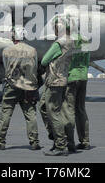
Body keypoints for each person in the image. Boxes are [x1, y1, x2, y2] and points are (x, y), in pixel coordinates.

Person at [0, 27, 42, 151]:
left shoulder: (6, 50)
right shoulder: (33, 51)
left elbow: (6, 68)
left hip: (11, 85)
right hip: (28, 87)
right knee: (30, 114)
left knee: (6, 113)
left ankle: (0, 141)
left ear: (13, 36)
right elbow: (35, 67)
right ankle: (34, 142)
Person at [40, 16, 75, 156]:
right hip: (62, 80)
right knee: (43, 106)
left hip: (54, 81)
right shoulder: (71, 41)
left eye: (55, 27)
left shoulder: (59, 43)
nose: (54, 29)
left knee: (53, 112)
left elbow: (44, 60)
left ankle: (60, 144)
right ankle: (55, 136)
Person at [63, 32, 91, 151]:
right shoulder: (85, 39)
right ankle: (85, 140)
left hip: (71, 77)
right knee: (81, 109)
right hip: (83, 75)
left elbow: (66, 58)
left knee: (69, 110)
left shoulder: (68, 40)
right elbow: (87, 59)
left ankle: (70, 141)